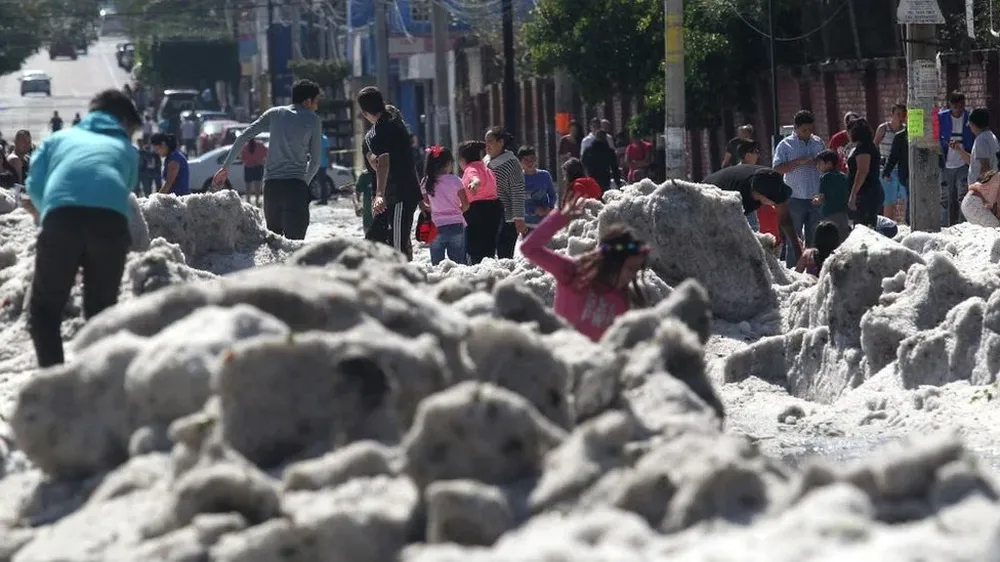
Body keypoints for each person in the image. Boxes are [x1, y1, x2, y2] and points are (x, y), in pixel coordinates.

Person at [23, 89, 142, 367]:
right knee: (101, 314)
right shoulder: (126, 149)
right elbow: (124, 188)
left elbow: (34, 185)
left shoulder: (58, 139)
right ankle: (95, 385)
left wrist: (49, 212)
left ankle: (55, 383)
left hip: (62, 219)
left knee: (44, 312)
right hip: (110, 224)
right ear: (122, 121)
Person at [521, 190, 649, 341]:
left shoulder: (622, 300)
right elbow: (529, 248)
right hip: (558, 354)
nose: (633, 276)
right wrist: (559, 219)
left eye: (636, 270)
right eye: (630, 269)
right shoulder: (572, 272)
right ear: (613, 262)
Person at [214, 79, 323, 240]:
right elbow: (315, 162)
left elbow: (244, 136)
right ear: (308, 101)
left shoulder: (274, 114)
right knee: (295, 248)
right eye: (316, 101)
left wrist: (225, 167)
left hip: (271, 189)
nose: (316, 106)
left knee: (275, 247)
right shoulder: (313, 119)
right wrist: (302, 183)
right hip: (296, 187)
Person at [356, 86, 421, 259]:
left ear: (364, 113)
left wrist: (379, 194)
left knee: (397, 244)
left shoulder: (380, 131)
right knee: (374, 238)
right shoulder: (394, 121)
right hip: (392, 195)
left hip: (398, 194)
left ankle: (402, 279)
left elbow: (384, 162)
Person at [701, 164, 801, 258]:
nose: (775, 204)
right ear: (761, 195)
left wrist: (796, 245)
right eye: (773, 201)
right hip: (707, 198)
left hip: (738, 194)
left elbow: (784, 217)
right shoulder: (736, 198)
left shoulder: (770, 177)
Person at [773, 109, 825, 267]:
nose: (807, 133)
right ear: (795, 128)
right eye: (804, 130)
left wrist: (820, 163)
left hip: (815, 197)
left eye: (810, 129)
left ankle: (812, 271)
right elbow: (777, 168)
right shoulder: (785, 145)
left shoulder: (818, 142)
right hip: (794, 197)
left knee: (814, 239)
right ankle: (793, 271)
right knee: (793, 240)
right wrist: (798, 162)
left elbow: (827, 165)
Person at [421, 145, 469, 265]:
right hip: (456, 225)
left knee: (437, 265)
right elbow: (466, 204)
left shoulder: (426, 182)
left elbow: (425, 204)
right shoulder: (456, 180)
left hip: (435, 227)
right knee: (459, 264)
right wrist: (458, 211)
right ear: (448, 163)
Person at [484, 126, 527, 259]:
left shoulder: (512, 163)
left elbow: (517, 192)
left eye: (490, 141)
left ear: (501, 142)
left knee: (504, 255)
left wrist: (519, 218)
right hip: (488, 215)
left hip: (507, 217)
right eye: (486, 142)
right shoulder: (485, 161)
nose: (487, 146)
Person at [458, 140, 502, 264]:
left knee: (474, 244)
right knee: (489, 242)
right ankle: (488, 264)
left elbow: (475, 178)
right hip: (494, 208)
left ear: (462, 160)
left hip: (476, 210)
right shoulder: (487, 169)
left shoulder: (470, 169)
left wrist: (474, 184)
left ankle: (476, 267)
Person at [938, 91, 975, 225]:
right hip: (945, 163)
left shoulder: (969, 117)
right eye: (956, 107)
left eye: (961, 107)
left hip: (963, 164)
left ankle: (963, 225)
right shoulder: (942, 118)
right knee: (944, 199)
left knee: (963, 197)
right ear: (950, 105)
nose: (959, 110)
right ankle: (943, 226)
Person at [846, 118, 883, 228]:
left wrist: (853, 195)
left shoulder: (863, 147)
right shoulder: (868, 145)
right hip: (868, 193)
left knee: (865, 229)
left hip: (866, 194)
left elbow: (862, 171)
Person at [951, 108, 999, 189]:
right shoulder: (991, 136)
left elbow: (985, 166)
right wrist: (959, 150)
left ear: (973, 124)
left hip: (980, 191)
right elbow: (974, 163)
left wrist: (981, 190)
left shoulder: (981, 140)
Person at [874, 103, 907, 221]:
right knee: (889, 200)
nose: (900, 117)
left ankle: (904, 224)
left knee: (904, 199)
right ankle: (888, 225)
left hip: (902, 169)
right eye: (897, 114)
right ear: (892, 114)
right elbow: (874, 147)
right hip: (887, 169)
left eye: (902, 115)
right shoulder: (883, 128)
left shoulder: (905, 130)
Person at [812, 150, 851, 241]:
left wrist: (817, 200)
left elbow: (822, 197)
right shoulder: (843, 177)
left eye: (820, 164)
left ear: (829, 163)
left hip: (829, 214)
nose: (818, 166)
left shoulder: (824, 177)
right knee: (842, 241)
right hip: (843, 214)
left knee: (830, 242)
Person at [519, 145, 557, 230]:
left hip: (544, 222)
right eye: (526, 160)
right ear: (520, 162)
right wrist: (533, 210)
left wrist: (549, 207)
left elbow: (552, 195)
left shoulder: (544, 175)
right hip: (526, 224)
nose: (530, 162)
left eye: (532, 159)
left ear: (536, 159)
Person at [882, 127, 909, 224]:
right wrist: (887, 171)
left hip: (923, 176)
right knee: (908, 201)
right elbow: (893, 156)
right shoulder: (900, 137)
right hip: (906, 175)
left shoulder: (925, 136)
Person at [240, 136, 267, 206]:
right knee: (257, 186)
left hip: (248, 167)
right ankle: (257, 201)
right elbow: (266, 153)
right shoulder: (260, 145)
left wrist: (249, 162)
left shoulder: (245, 146)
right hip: (258, 167)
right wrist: (260, 160)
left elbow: (242, 158)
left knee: (248, 186)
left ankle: (248, 201)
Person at [355, 142, 375, 236]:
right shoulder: (365, 175)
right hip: (368, 220)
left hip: (384, 220)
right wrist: (357, 205)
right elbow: (357, 191)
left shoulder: (386, 174)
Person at [316, 132, 332, 204]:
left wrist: (330, 162)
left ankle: (324, 200)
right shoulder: (315, 139)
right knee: (320, 182)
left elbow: (328, 152)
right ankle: (322, 198)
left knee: (322, 182)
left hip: (322, 163)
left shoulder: (324, 139)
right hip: (317, 164)